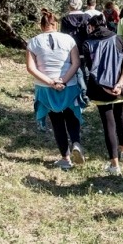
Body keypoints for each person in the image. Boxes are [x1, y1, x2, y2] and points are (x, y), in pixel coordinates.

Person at [26, 9, 85, 170]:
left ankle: (65, 159)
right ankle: (76, 143)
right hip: (69, 85)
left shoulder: (33, 42)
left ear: (41, 25)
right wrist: (63, 81)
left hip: (46, 88)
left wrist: (51, 82)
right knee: (72, 117)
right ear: (56, 24)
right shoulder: (68, 39)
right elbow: (76, 63)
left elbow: (31, 68)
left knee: (57, 122)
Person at [83, 14, 123, 176]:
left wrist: (105, 87)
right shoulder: (118, 39)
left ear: (91, 26)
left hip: (100, 90)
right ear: (106, 24)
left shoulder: (87, 43)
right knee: (121, 116)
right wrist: (119, 84)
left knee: (108, 125)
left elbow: (91, 69)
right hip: (121, 87)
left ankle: (114, 164)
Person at [60, 0, 90, 106]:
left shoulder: (65, 19)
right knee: (86, 70)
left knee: (78, 72)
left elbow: (63, 35)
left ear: (69, 5)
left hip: (71, 48)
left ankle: (83, 94)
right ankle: (87, 93)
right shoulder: (87, 17)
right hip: (85, 47)